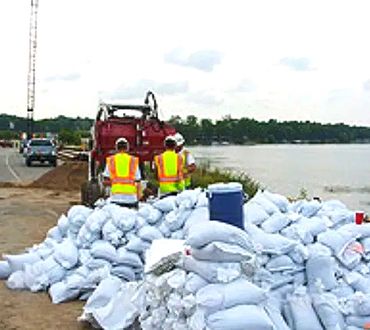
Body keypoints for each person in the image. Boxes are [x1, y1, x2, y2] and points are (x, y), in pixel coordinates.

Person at [103, 137, 141, 208]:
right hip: (131, 199)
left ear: (116, 148)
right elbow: (138, 181)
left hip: (116, 198)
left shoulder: (111, 160)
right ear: (127, 148)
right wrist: (138, 198)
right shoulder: (133, 161)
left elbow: (106, 182)